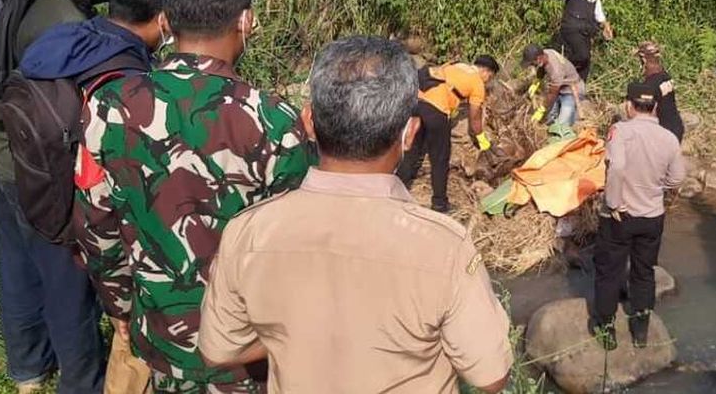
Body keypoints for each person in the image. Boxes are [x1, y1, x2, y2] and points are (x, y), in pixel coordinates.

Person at [199, 37, 512, 394]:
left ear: (308, 122)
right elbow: (491, 376)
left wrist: (292, 337)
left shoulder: (248, 231)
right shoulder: (445, 247)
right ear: (409, 133)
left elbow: (218, 350)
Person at [74, 0, 314, 393]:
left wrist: (120, 304)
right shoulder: (274, 121)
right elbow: (294, 249)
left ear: (165, 22)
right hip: (248, 350)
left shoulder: (109, 107)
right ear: (246, 21)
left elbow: (97, 221)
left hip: (161, 333)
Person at [0, 0, 147, 394]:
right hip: (38, 173)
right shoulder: (65, 26)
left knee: (17, 269)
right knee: (68, 287)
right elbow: (65, 124)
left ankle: (28, 370)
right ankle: (81, 382)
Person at [17, 0, 177, 394]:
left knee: (61, 306)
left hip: (37, 189)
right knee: (100, 328)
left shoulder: (68, 39)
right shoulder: (126, 77)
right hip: (86, 215)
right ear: (164, 18)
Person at [590, 81, 686, 350]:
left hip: (620, 216)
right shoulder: (669, 137)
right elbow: (678, 177)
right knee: (644, 272)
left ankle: (607, 331)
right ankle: (640, 330)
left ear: (629, 105)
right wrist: (656, 188)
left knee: (609, 272)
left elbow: (617, 167)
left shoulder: (620, 131)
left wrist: (613, 202)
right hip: (652, 216)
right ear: (655, 107)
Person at [397, 55, 499, 214]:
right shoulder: (477, 83)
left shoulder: (454, 65)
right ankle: (440, 203)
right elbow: (474, 118)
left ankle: (396, 192)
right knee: (440, 159)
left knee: (411, 152)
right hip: (436, 110)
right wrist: (482, 140)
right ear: (486, 71)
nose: (487, 81)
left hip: (416, 103)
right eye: (490, 77)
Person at [552, 0, 613, 81]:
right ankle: (560, 70)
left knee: (586, 63)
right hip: (572, 26)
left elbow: (598, 10)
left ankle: (578, 87)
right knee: (582, 55)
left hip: (586, 28)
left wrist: (606, 26)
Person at [521, 44, 582, 140]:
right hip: (560, 88)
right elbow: (541, 68)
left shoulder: (556, 70)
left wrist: (542, 109)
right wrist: (537, 81)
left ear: (539, 58)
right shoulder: (546, 53)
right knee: (550, 118)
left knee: (562, 126)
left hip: (571, 90)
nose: (532, 65)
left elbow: (552, 94)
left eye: (533, 63)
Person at [636, 41, 684, 142]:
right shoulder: (666, 76)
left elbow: (647, 116)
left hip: (663, 135)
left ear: (643, 60)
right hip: (676, 129)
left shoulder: (649, 85)